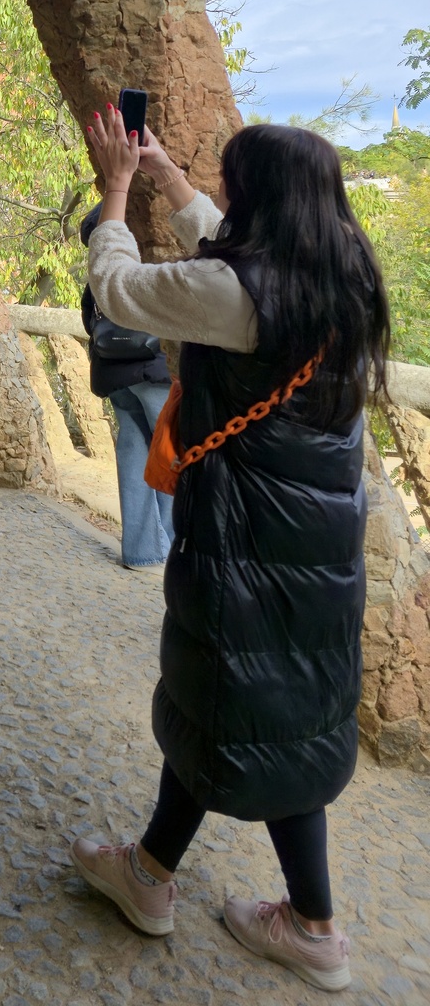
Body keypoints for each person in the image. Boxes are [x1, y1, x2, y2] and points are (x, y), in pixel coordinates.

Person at [68, 107, 387, 993]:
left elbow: (119, 290)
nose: (227, 202)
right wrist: (170, 174)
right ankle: (301, 922)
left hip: (246, 533)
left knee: (223, 692)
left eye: (236, 187)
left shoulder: (239, 293)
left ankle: (150, 877)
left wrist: (120, 188)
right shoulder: (343, 281)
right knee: (278, 706)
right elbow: (230, 260)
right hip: (319, 542)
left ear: (263, 203)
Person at [79, 203, 174, 568]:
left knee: (133, 449)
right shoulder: (141, 266)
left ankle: (141, 551)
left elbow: (90, 322)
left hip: (113, 373)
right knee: (171, 449)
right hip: (153, 371)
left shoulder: (99, 276)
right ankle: (177, 546)